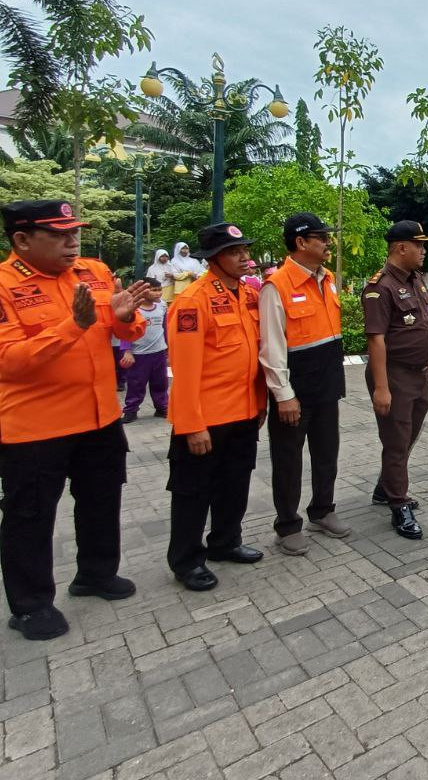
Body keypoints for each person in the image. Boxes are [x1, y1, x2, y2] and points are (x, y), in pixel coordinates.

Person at [0, 200, 151, 640]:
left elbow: (123, 328)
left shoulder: (94, 273)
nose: (73, 242)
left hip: (99, 415)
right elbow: (9, 360)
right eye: (59, 234)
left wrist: (125, 319)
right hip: (35, 427)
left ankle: (95, 574)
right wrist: (72, 325)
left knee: (102, 500)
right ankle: (30, 605)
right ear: (22, 240)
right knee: (30, 516)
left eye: (75, 232)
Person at [165, 223, 266, 591]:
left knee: (234, 484)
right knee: (193, 493)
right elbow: (185, 369)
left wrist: (259, 403)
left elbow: (253, 354)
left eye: (244, 250)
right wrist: (192, 424)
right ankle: (186, 561)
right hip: (206, 419)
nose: (244, 258)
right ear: (213, 259)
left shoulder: (247, 295)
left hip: (242, 413)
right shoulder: (194, 300)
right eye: (235, 252)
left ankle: (225, 542)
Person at [260, 213, 350, 555]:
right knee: (288, 462)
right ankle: (287, 526)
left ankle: (322, 511)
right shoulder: (276, 286)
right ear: (301, 242)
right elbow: (271, 349)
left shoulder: (326, 279)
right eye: (321, 237)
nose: (328, 242)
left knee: (327, 454)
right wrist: (284, 396)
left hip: (327, 386)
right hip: (295, 393)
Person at [362, 220, 428, 540]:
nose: (423, 250)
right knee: (396, 441)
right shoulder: (380, 287)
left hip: (417, 374)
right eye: (418, 245)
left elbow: (422, 323)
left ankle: (386, 486)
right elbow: (376, 340)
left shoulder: (416, 279)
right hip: (393, 375)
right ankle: (398, 503)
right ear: (400, 247)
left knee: (407, 436)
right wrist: (381, 387)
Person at [120, 276, 169, 422]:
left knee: (161, 382)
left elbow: (165, 327)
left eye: (159, 290)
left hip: (159, 352)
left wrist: (168, 349)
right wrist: (127, 351)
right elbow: (125, 330)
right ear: (143, 291)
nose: (158, 293)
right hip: (139, 354)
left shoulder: (162, 306)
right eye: (154, 290)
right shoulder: (134, 308)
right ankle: (131, 410)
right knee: (136, 383)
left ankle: (162, 408)